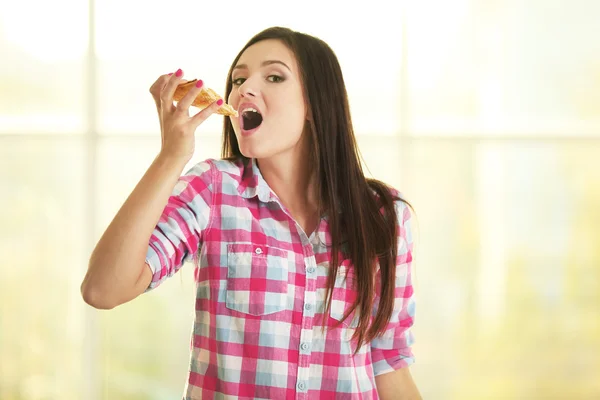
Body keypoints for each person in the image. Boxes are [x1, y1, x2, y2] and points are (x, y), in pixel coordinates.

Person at [81, 26, 421, 400]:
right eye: (238, 79)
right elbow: (102, 289)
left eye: (274, 76)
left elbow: (388, 365)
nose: (244, 89)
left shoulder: (384, 215)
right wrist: (171, 156)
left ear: (315, 104)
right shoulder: (213, 190)